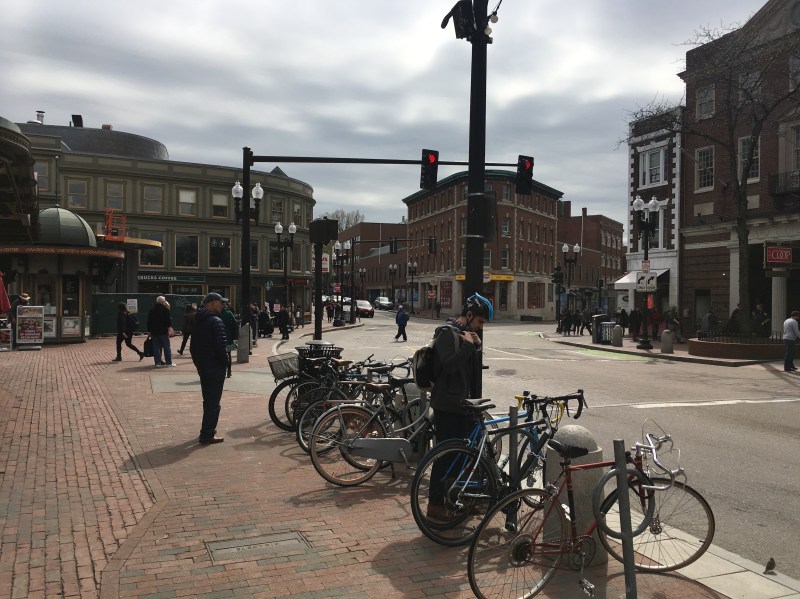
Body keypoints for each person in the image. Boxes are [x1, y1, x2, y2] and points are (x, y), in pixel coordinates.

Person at [426, 293, 493, 523]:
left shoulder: (465, 336)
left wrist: (475, 347)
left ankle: (455, 497)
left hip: (462, 406)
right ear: (470, 314)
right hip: (447, 406)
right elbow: (450, 366)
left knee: (463, 456)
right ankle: (435, 505)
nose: (481, 327)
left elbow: (469, 374)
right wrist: (467, 346)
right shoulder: (446, 333)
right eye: (480, 322)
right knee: (444, 457)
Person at [190, 292, 229, 444]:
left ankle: (206, 429)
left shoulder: (198, 319)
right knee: (214, 402)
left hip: (203, 366)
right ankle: (207, 434)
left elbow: (193, 347)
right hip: (215, 367)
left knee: (208, 400)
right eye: (220, 302)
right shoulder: (215, 321)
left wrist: (199, 364)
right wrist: (225, 363)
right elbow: (220, 347)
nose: (222, 305)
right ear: (212, 303)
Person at [147, 295, 175, 367]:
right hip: (163, 331)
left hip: (154, 331)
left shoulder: (151, 310)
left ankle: (157, 363)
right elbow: (168, 321)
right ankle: (169, 363)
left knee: (156, 348)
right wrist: (169, 328)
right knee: (166, 347)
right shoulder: (165, 309)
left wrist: (149, 331)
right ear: (163, 302)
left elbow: (149, 321)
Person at [219, 301, 238, 378]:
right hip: (228, 336)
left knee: (219, 354)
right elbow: (235, 324)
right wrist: (235, 336)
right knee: (228, 354)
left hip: (219, 336)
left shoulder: (217, 313)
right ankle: (229, 370)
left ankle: (221, 370)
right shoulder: (229, 313)